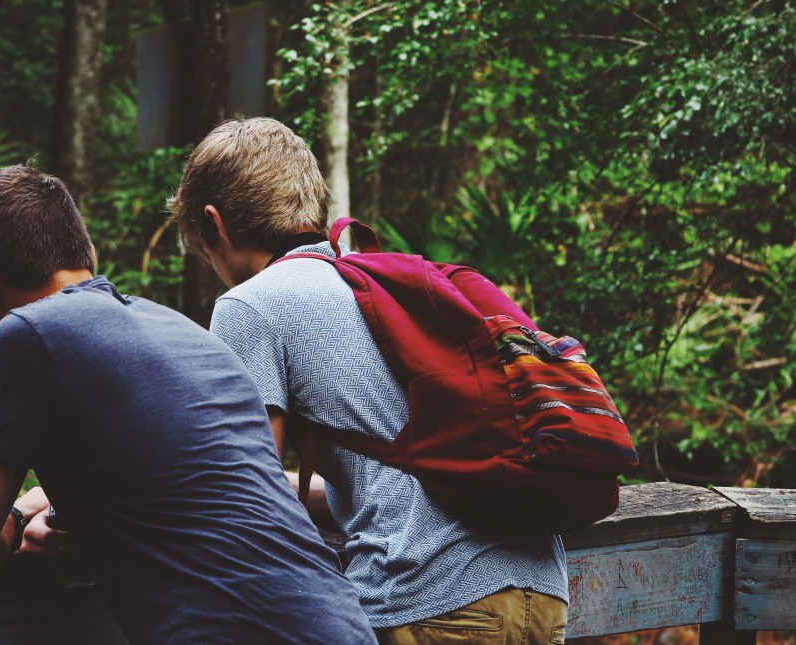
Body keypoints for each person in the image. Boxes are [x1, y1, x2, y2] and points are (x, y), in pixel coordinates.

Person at [0, 164, 376, 645]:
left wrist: (16, 517)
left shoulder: (27, 334)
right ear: (87, 255)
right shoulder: (181, 331)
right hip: (341, 624)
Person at [169, 118, 570, 644]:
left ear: (215, 224)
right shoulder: (380, 286)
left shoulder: (250, 306)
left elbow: (246, 493)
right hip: (541, 591)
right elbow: (380, 477)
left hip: (430, 599)